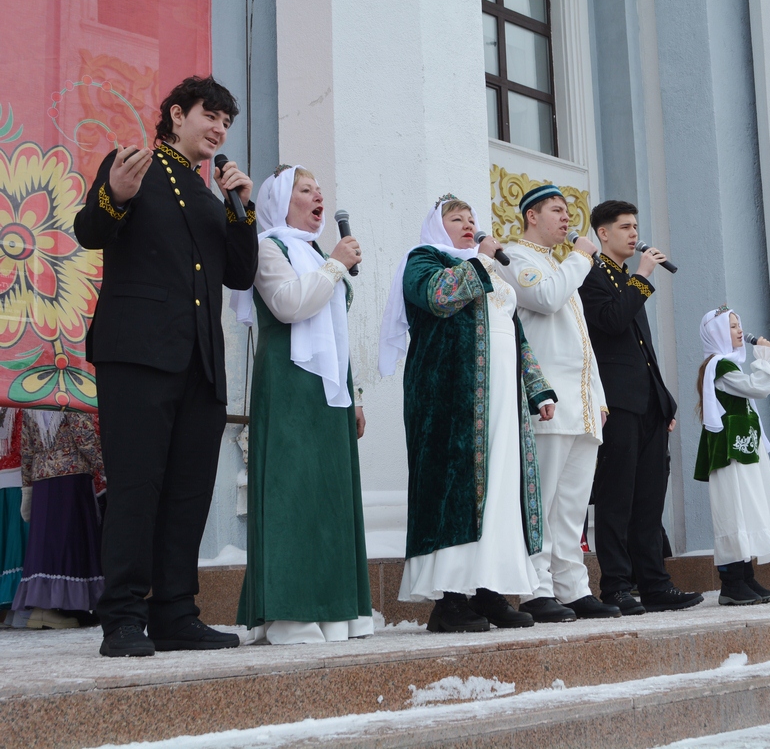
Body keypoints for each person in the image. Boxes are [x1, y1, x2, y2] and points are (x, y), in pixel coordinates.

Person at [73, 75, 258, 656]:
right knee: (137, 487)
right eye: (210, 116)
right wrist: (115, 196)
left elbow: (240, 275)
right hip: (137, 355)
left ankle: (176, 613)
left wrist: (242, 212)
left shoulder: (209, 197)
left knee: (187, 493)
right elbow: (89, 231)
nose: (219, 130)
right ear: (177, 115)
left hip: (200, 362)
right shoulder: (131, 168)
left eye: (226, 123)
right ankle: (123, 618)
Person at [379, 195, 556, 633]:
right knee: (455, 493)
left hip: (501, 401)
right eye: (455, 218)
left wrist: (537, 389)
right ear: (436, 227)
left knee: (500, 491)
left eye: (471, 218)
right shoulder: (423, 259)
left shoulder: (488, 268)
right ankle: (450, 601)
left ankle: (489, 592)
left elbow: (513, 331)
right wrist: (480, 261)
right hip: (451, 402)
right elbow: (438, 297)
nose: (467, 225)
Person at [231, 165, 372, 643]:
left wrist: (354, 394)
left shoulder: (314, 253)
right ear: (280, 201)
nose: (317, 197)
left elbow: (336, 331)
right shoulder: (268, 246)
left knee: (330, 495)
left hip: (330, 388)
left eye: (319, 190)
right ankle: (290, 613)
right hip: (289, 383)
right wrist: (335, 265)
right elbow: (289, 305)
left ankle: (335, 611)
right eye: (305, 190)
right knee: (292, 491)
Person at [494, 184, 621, 622]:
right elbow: (545, 299)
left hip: (580, 404)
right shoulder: (516, 258)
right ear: (531, 216)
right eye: (556, 210)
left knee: (571, 507)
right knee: (542, 504)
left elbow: (582, 342)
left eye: (567, 211)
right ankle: (536, 588)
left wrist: (597, 396)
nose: (567, 218)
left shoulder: (561, 264)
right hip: (547, 400)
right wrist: (581, 257)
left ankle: (573, 588)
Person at [579, 200, 702, 615]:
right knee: (616, 497)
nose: (634, 234)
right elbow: (611, 323)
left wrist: (663, 401)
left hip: (647, 403)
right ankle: (616, 585)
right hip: (616, 403)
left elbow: (642, 350)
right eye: (625, 227)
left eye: (635, 226)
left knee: (649, 499)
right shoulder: (590, 275)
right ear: (603, 233)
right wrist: (643, 276)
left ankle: (655, 584)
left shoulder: (627, 278)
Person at [693, 307, 770, 605]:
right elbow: (757, 387)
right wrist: (765, 359)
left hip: (743, 443)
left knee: (746, 506)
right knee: (733, 507)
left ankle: (745, 576)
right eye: (732, 326)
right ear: (716, 332)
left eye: (739, 325)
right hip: (730, 447)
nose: (739, 331)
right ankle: (731, 581)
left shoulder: (727, 365)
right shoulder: (719, 365)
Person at [11, 411, 105, 629]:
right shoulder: (69, 399)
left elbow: (27, 448)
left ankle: (56, 607)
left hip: (42, 479)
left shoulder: (33, 404)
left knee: (48, 542)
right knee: (71, 541)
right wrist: (105, 467)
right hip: (71, 478)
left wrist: (27, 485)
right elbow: (84, 437)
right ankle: (61, 607)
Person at [0, 409, 27, 621]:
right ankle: (18, 606)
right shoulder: (18, 404)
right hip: (17, 477)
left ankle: (10, 610)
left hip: (8, 477)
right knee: (17, 543)